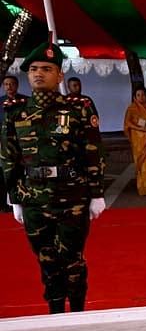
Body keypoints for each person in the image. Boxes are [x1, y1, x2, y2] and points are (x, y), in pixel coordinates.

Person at [0, 38, 106, 313]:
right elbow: (9, 156)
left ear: (59, 74)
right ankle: (56, 313)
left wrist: (97, 193)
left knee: (72, 259)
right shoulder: (15, 111)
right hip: (34, 197)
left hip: (72, 197)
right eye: (34, 68)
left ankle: (79, 311)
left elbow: (92, 152)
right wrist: (15, 199)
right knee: (46, 260)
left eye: (46, 69)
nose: (38, 73)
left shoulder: (78, 108)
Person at [0, 75, 28, 212]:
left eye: (12, 84)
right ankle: (4, 205)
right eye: (6, 84)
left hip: (22, 144)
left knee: (21, 173)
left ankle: (21, 200)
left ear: (16, 85)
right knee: (3, 174)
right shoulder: (0, 102)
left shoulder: (25, 101)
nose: (9, 87)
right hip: (2, 145)